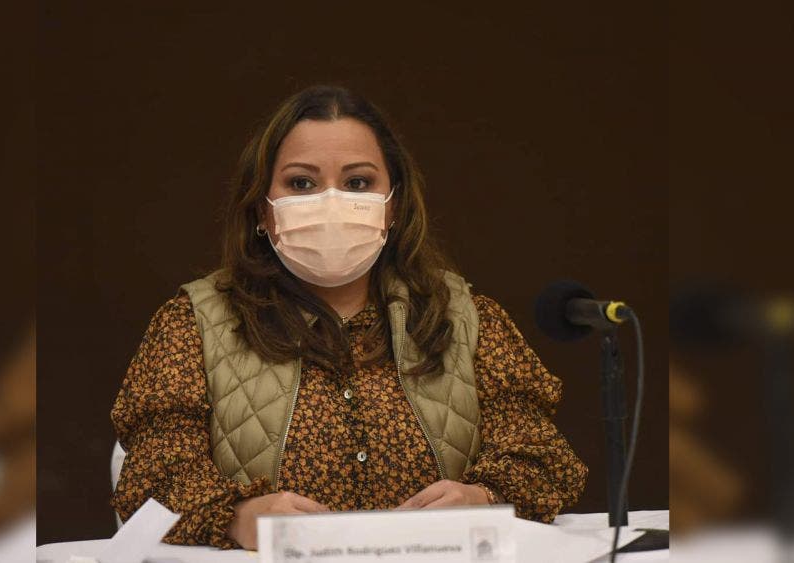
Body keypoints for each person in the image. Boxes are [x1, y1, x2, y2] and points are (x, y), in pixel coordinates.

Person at [110, 85, 587, 550]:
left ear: (394, 204)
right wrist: (237, 516)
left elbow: (544, 459)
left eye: (358, 183)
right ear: (261, 206)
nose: (331, 202)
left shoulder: (465, 316)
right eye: (301, 183)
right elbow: (152, 474)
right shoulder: (192, 325)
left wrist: (482, 498)